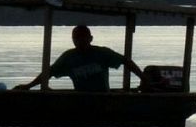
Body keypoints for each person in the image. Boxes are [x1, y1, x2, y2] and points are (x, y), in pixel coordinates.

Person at [15, 24, 147, 92]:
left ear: (90, 38)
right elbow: (49, 72)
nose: (79, 41)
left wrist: (144, 80)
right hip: (81, 97)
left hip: (102, 97)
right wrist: (29, 86)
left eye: (83, 37)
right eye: (76, 38)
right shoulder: (69, 57)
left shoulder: (102, 53)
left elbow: (126, 61)